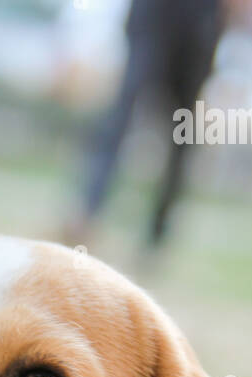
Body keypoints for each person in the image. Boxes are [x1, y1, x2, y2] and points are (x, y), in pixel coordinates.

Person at [66, 0, 227, 247]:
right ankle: (87, 210)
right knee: (124, 109)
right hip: (156, 9)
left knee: (182, 129)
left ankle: (158, 232)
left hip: (200, 13)